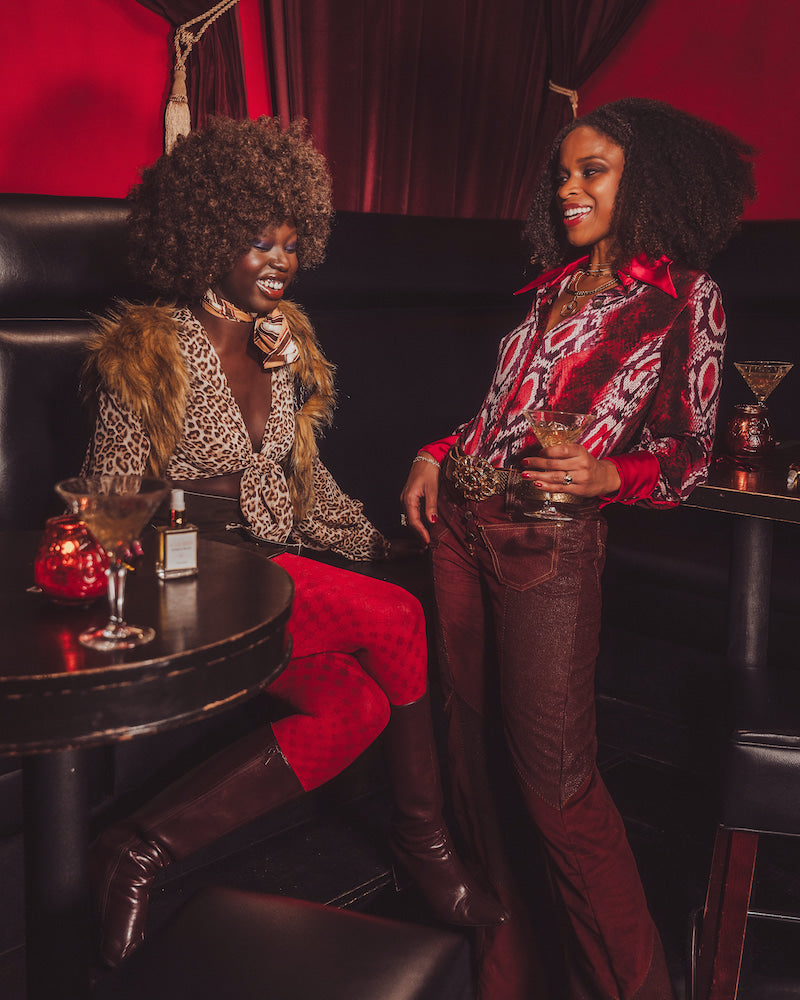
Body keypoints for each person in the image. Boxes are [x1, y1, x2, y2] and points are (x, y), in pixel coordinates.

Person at [84, 115, 506, 968]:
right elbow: (107, 499)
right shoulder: (149, 351)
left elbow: (298, 482)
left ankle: (137, 849)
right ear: (204, 238)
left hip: (265, 572)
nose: (279, 261)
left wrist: (371, 541)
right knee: (396, 621)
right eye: (256, 242)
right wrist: (122, 602)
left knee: (357, 706)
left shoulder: (289, 344)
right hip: (184, 573)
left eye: (289, 244)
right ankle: (427, 845)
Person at [401, 98, 756, 1000]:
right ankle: (507, 979)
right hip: (460, 532)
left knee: (557, 790)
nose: (568, 188)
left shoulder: (683, 298)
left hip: (546, 546)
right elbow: (498, 421)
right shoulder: (548, 287)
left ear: (647, 181)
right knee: (473, 770)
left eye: (591, 170)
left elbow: (686, 453)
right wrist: (435, 453)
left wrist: (610, 478)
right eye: (561, 172)